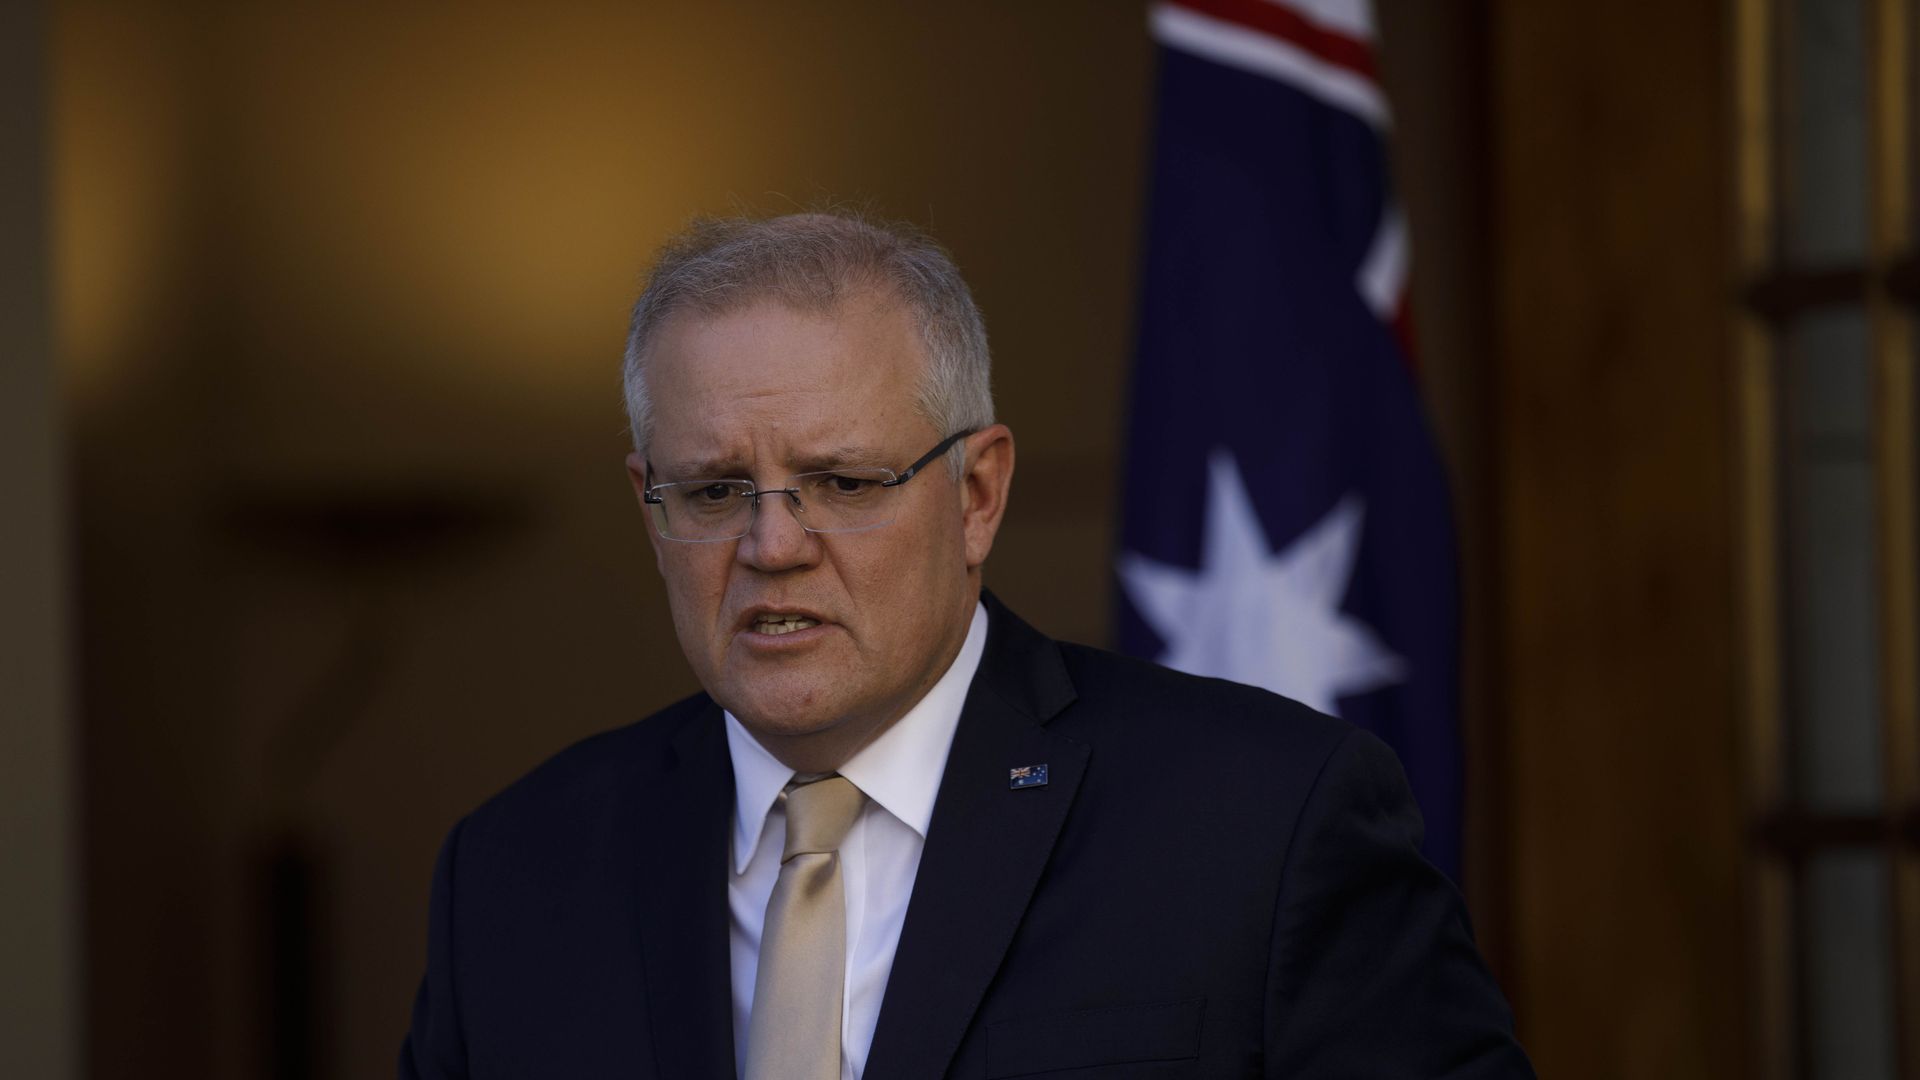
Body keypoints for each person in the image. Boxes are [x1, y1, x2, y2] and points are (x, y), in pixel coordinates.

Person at [400, 212, 1534, 1079]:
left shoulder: (1264, 824)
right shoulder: (514, 876)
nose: (772, 543)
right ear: (649, 504)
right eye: (714, 489)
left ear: (978, 492)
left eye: (842, 481)